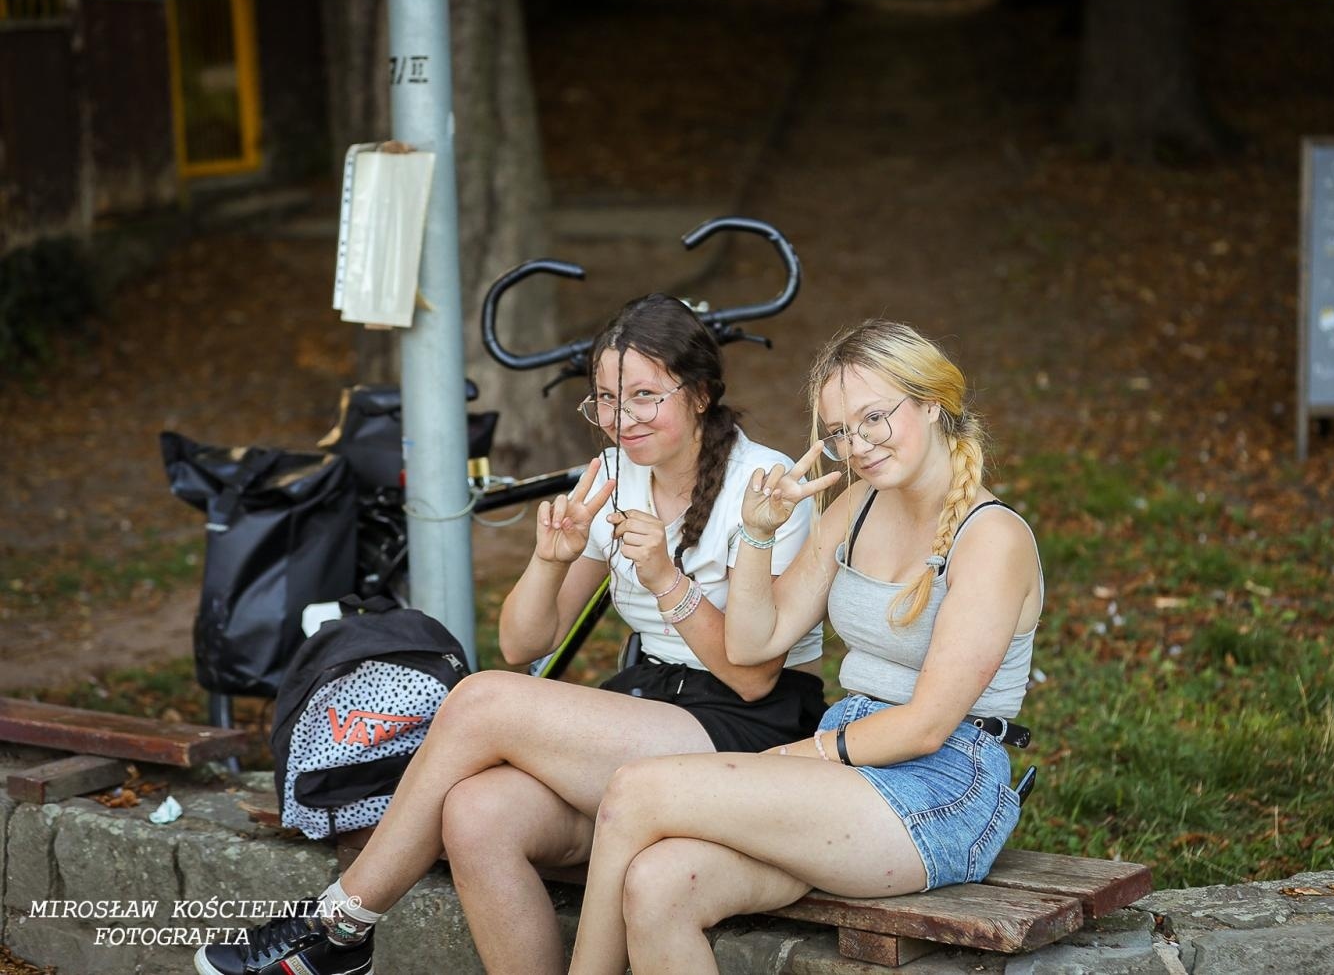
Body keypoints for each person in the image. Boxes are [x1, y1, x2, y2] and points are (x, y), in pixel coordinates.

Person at [195, 294, 826, 975]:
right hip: (653, 709)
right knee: (476, 812)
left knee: (481, 699)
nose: (623, 419)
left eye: (646, 396)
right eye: (607, 400)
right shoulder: (617, 477)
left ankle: (339, 927)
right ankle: (346, 937)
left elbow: (751, 677)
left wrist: (666, 579)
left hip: (751, 731)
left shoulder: (766, 488)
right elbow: (524, 645)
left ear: (699, 393)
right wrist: (550, 561)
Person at [566, 319, 1043, 975]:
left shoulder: (992, 537)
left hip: (943, 784)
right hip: (847, 761)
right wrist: (758, 535)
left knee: (635, 792)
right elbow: (753, 642)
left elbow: (928, 726)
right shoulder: (858, 506)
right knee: (659, 884)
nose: (858, 446)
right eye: (840, 432)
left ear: (932, 403)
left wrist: (794, 757)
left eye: (874, 418)